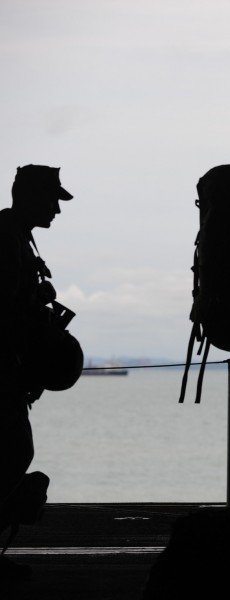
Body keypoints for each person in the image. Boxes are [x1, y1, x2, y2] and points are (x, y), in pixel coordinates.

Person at [0, 165, 75, 584]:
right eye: (52, 201)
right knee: (13, 453)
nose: (56, 211)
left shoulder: (17, 238)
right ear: (26, 196)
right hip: (4, 369)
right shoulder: (8, 242)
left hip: (11, 369)